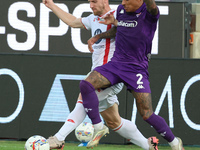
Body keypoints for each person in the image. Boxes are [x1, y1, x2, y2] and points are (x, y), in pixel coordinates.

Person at [42, 0, 159, 150]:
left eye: (94, 1)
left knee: (83, 100)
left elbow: (138, 27)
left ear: (105, 0)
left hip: (112, 75)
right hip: (98, 75)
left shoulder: (120, 14)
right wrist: (51, 4)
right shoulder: (93, 19)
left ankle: (58, 139)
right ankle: (148, 145)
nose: (91, 5)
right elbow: (72, 21)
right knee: (114, 122)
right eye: (89, 2)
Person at [80, 0, 184, 150]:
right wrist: (99, 36)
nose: (123, 3)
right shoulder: (122, 10)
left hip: (136, 70)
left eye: (127, 0)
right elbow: (119, 29)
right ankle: (98, 127)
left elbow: (152, 6)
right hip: (116, 64)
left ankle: (175, 143)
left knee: (147, 114)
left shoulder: (149, 13)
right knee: (86, 84)